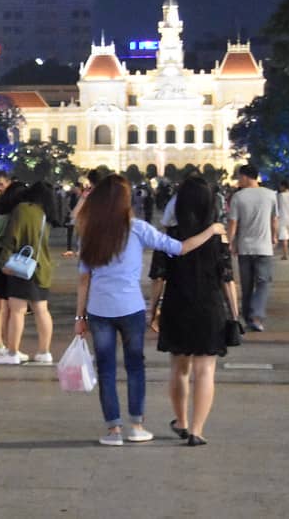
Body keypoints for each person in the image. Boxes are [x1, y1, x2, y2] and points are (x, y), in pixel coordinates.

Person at [74, 174, 223, 446]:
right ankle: (136, 425)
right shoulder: (138, 228)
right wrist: (212, 231)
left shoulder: (90, 232)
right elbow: (179, 248)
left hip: (99, 310)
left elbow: (84, 279)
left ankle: (113, 430)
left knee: (106, 369)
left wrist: (79, 317)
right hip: (130, 308)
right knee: (135, 368)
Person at [155, 177, 239, 446]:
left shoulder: (169, 235)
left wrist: (152, 308)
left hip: (177, 304)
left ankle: (181, 421)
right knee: (205, 371)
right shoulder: (218, 235)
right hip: (209, 306)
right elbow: (227, 279)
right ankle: (197, 430)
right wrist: (235, 315)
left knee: (179, 368)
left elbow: (158, 277)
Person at [0, 181, 56, 365]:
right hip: (42, 266)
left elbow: (13, 236)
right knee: (42, 310)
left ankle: (13, 353)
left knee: (17, 311)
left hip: (22, 265)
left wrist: (3, 261)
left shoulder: (23, 209)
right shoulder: (46, 214)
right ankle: (44, 352)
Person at [227, 164, 278, 332]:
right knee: (263, 282)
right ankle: (256, 316)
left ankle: (249, 316)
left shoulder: (238, 197)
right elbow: (274, 220)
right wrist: (274, 236)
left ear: (246, 177)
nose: (238, 180)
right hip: (264, 247)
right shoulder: (271, 195)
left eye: (239, 177)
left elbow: (233, 223)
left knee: (247, 284)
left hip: (245, 247)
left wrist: (230, 242)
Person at [0, 172, 25, 360]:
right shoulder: (14, 210)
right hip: (5, 256)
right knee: (9, 306)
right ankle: (10, 346)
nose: (0, 187)